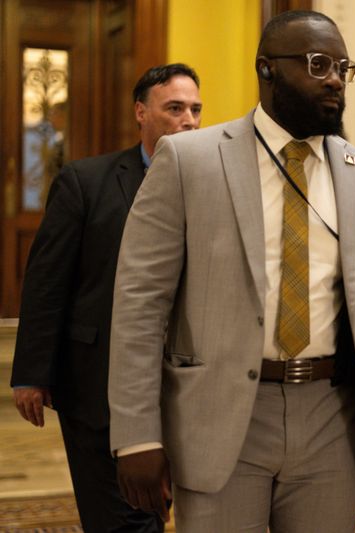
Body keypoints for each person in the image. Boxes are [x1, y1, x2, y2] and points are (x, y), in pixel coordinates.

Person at [108, 10, 355, 532]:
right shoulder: (189, 160)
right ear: (268, 69)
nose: (333, 79)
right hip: (221, 416)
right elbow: (139, 306)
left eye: (342, 68)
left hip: (333, 417)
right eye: (317, 64)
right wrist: (138, 435)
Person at [10, 63, 202, 532]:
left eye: (196, 109)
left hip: (187, 385)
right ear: (141, 112)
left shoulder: (211, 185)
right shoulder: (86, 182)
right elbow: (47, 282)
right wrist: (32, 373)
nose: (189, 121)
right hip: (97, 382)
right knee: (120, 520)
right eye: (174, 108)